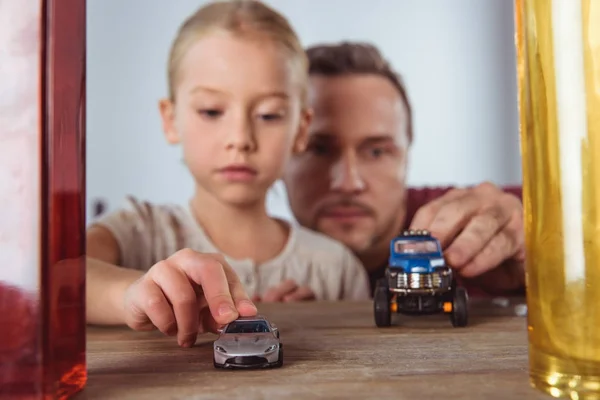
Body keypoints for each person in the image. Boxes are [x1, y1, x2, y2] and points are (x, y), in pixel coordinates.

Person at [85, 1, 371, 348]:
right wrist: (133, 292)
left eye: (269, 115)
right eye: (211, 111)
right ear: (170, 119)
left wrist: (309, 325)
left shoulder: (336, 269)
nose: (240, 139)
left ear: (301, 129)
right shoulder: (138, 230)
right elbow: (60, 276)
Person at [282, 41, 525, 297]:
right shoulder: (256, 273)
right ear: (280, 155)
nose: (348, 182)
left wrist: (544, 260)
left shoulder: (471, 223)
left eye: (376, 152)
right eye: (318, 150)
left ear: (407, 157)